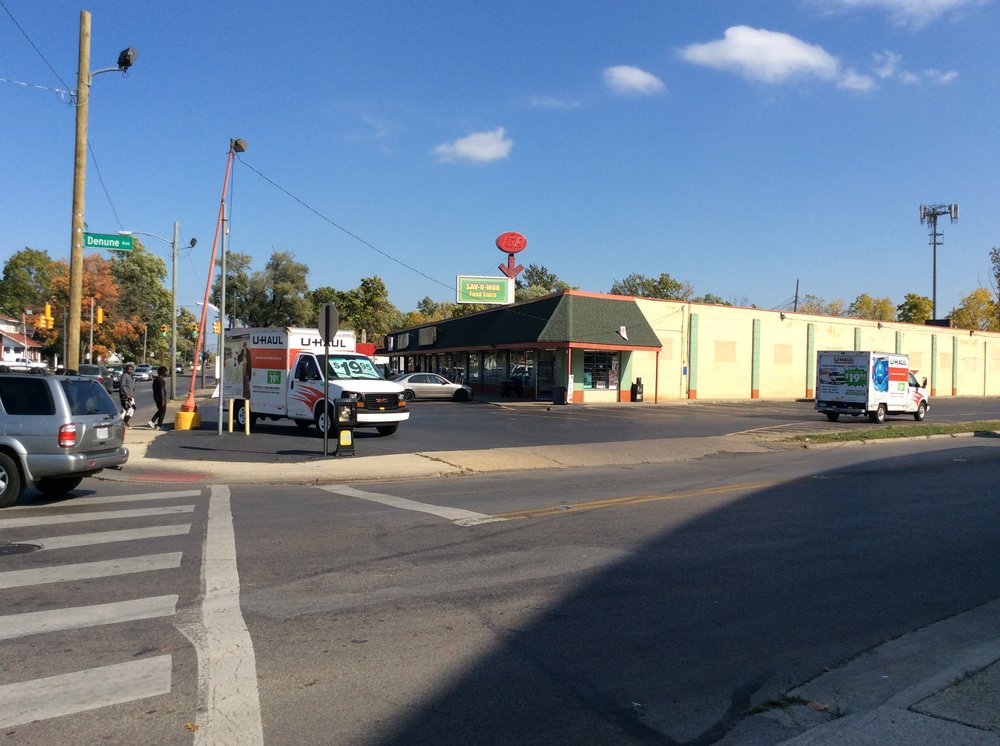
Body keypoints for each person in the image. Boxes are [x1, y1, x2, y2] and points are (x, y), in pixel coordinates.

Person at [119, 363, 136, 428]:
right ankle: (124, 422)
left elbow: (129, 386)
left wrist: (132, 390)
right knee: (130, 408)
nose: (130, 370)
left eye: (131, 369)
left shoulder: (130, 376)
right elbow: (122, 386)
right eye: (129, 369)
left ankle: (122, 422)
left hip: (130, 395)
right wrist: (127, 394)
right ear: (126, 369)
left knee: (125, 410)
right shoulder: (124, 375)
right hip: (125, 396)